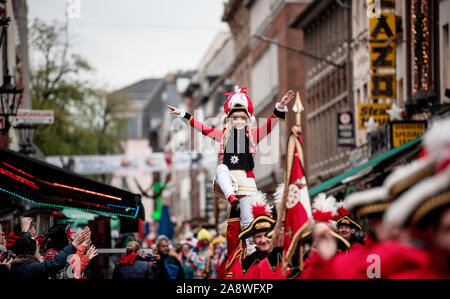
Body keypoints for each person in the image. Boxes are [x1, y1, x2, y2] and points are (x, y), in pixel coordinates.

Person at [167, 87, 294, 254]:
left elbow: (270, 125)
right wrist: (183, 114)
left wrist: (280, 106)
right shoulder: (223, 136)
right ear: (230, 120)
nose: (239, 121)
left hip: (246, 181)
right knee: (220, 168)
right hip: (228, 180)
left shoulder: (253, 136)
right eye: (235, 119)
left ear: (247, 120)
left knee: (248, 221)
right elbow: (202, 128)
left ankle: (251, 250)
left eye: (242, 118)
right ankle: (231, 197)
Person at [9, 224, 90, 279]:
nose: (39, 248)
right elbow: (58, 266)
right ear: (32, 251)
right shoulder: (29, 267)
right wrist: (76, 245)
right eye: (37, 247)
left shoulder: (22, 265)